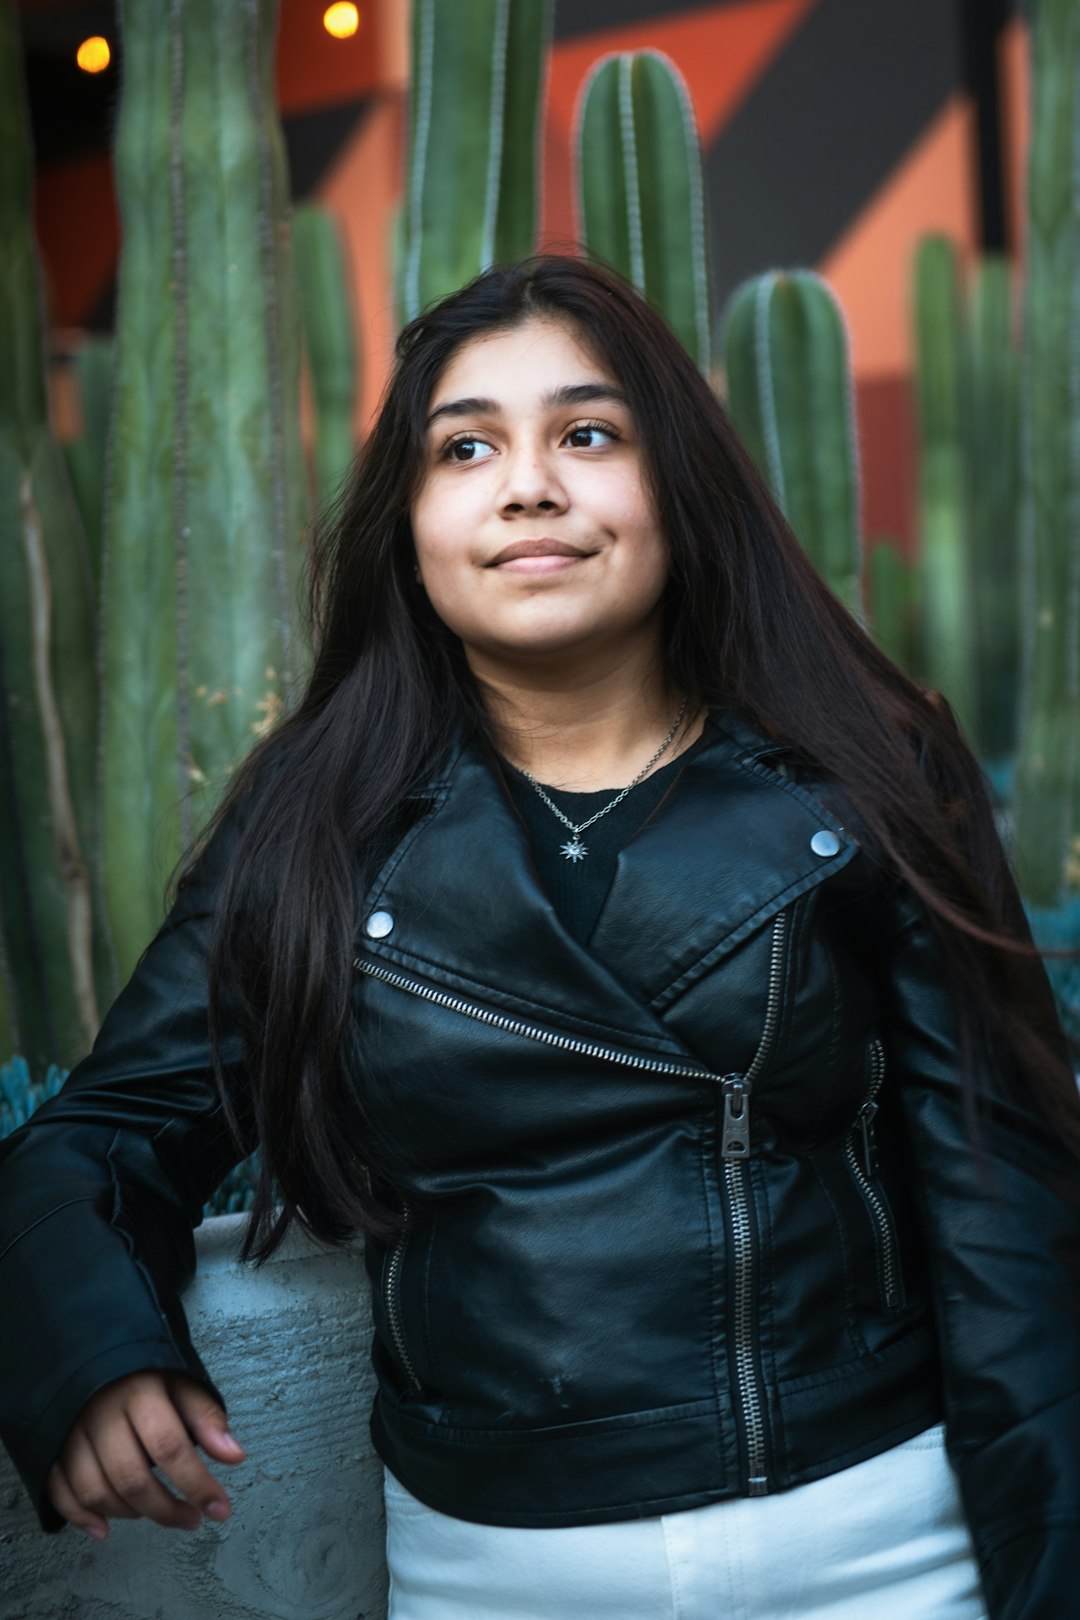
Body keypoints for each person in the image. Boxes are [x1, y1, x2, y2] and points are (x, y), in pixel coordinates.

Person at [1, 254, 1078, 1620]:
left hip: (887, 1549)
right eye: (466, 447)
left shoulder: (864, 775)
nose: (529, 486)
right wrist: (91, 1353)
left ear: (676, 487)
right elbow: (96, 1137)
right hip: (495, 1574)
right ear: (410, 517)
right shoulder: (312, 825)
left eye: (587, 433)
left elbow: (1011, 1232)